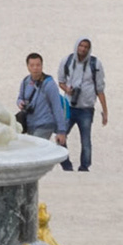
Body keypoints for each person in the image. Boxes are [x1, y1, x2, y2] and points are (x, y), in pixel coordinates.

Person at [57, 39, 107, 172]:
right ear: (77, 46)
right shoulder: (67, 61)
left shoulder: (95, 64)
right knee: (60, 136)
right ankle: (66, 164)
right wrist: (67, 89)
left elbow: (100, 89)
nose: (83, 49)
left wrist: (105, 112)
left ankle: (84, 167)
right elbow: (61, 81)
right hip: (68, 107)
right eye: (81, 45)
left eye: (86, 47)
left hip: (86, 109)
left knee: (85, 140)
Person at [16, 53, 70, 164]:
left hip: (45, 124)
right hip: (30, 124)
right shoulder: (26, 81)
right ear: (28, 67)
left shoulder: (49, 84)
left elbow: (57, 107)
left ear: (42, 65)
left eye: (38, 65)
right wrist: (20, 103)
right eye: (32, 65)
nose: (35, 68)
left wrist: (61, 131)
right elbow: (20, 97)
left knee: (33, 153)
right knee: (33, 155)